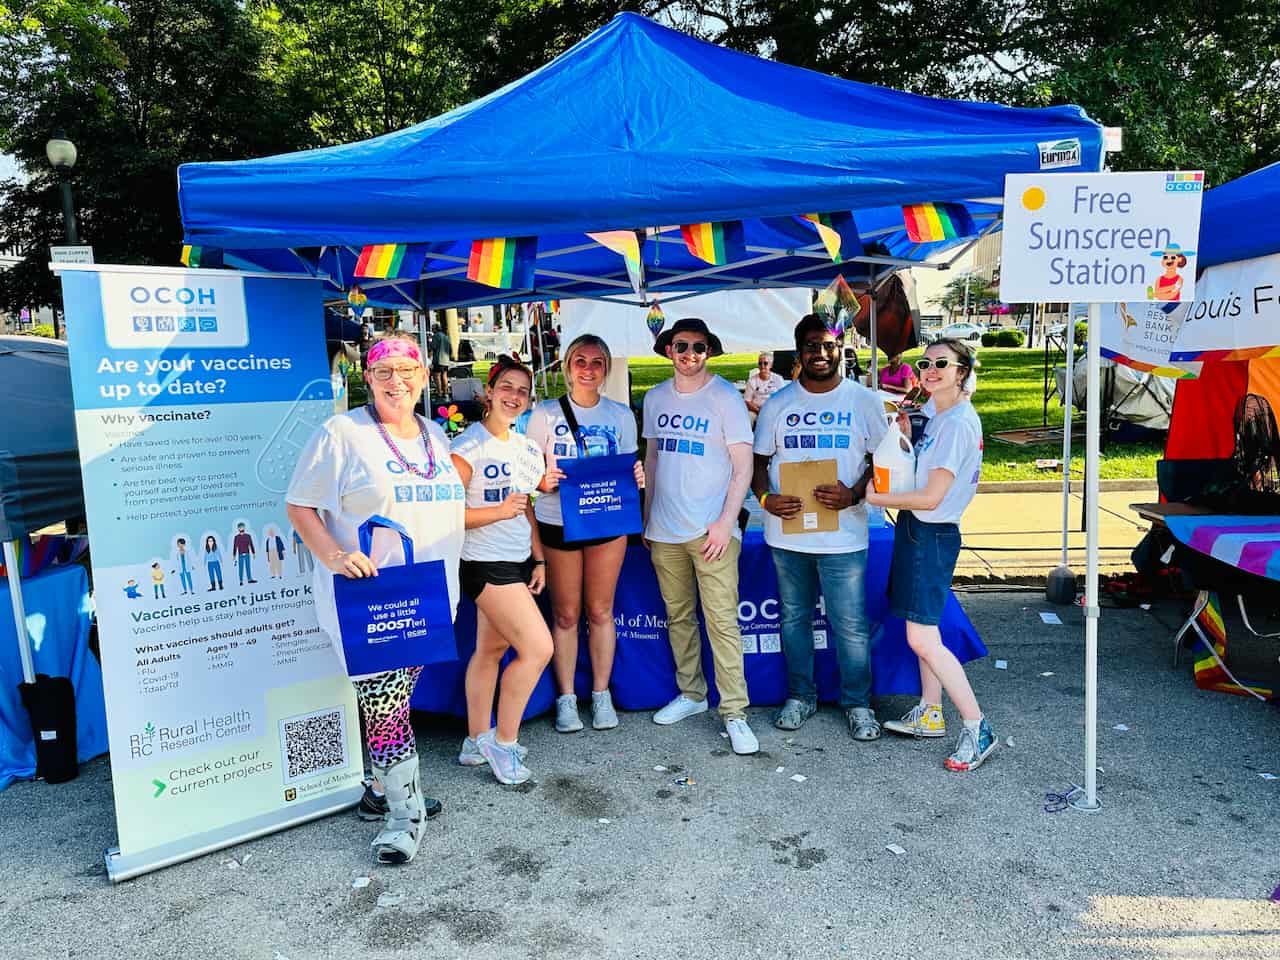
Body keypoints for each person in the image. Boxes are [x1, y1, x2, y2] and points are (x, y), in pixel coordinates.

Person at [286, 332, 465, 863]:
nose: (397, 382)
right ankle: (402, 818)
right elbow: (300, 506)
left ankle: (381, 789)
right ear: (369, 376)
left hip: (429, 599)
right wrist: (336, 557)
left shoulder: (435, 434)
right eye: (384, 371)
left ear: (424, 376)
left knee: (393, 703)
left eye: (407, 371)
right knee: (385, 710)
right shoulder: (342, 433)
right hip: (373, 603)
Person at [752, 313, 888, 741]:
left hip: (844, 536)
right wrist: (764, 499)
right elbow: (757, 465)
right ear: (799, 351)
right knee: (793, 619)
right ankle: (801, 696)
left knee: (849, 624)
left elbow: (884, 464)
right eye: (812, 346)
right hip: (788, 536)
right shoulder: (778, 403)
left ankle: (858, 703)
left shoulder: (863, 401)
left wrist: (855, 493)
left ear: (840, 349)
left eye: (829, 345)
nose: (821, 354)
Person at [866, 338, 996, 771]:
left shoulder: (958, 423)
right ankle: (930, 709)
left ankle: (978, 726)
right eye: (926, 362)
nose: (931, 369)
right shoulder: (939, 417)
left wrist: (877, 497)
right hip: (918, 531)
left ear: (963, 372)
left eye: (943, 363)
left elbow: (931, 496)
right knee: (924, 629)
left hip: (931, 532)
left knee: (922, 637)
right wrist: (905, 437)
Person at [643, 319, 758, 754]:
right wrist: (647, 515)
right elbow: (652, 459)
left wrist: (726, 522)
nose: (690, 354)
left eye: (700, 347)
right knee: (679, 617)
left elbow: (743, 465)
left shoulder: (725, 397)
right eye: (682, 346)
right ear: (668, 350)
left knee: (722, 622)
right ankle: (692, 695)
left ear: (710, 351)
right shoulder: (655, 398)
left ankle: (734, 713)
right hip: (665, 528)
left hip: (711, 529)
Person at [526, 334, 644, 734]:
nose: (588, 369)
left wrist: (637, 476)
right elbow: (527, 473)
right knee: (566, 614)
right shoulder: (544, 415)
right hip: (557, 522)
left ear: (607, 368)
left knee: (600, 611)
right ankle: (566, 698)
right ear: (567, 366)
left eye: (597, 361)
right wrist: (542, 481)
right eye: (580, 360)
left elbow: (627, 468)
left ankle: (600, 693)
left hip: (605, 523)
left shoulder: (621, 415)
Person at [450, 357, 552, 785]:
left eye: (523, 392)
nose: (514, 397)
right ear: (488, 392)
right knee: (538, 648)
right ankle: (503, 743)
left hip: (515, 560)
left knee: (490, 651)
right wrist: (496, 512)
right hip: (482, 563)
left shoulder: (527, 447)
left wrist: (539, 557)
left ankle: (476, 739)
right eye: (506, 388)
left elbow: (525, 508)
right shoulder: (468, 446)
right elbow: (445, 515)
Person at [742, 351, 785, 418]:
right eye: (760, 363)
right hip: (755, 410)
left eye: (765, 363)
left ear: (771, 365)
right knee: (749, 417)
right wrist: (759, 411)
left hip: (774, 410)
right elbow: (747, 401)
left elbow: (783, 398)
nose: (762, 366)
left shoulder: (778, 379)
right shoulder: (752, 381)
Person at [431, 324, 452, 397]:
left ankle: (439, 392)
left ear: (435, 329)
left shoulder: (436, 336)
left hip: (438, 359)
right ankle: (446, 392)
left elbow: (433, 347)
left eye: (432, 328)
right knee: (444, 375)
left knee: (436, 376)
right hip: (446, 360)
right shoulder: (446, 336)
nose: (432, 330)